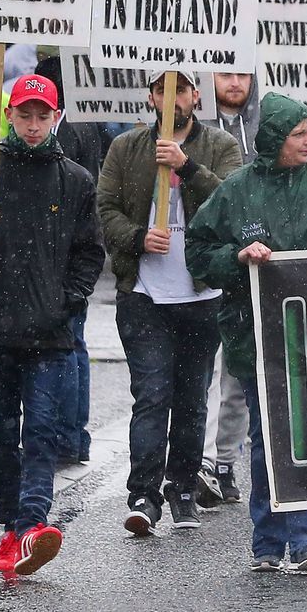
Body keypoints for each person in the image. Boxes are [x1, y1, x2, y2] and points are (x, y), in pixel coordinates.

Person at [186, 94, 307, 575]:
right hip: (257, 338)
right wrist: (237, 258)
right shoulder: (237, 190)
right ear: (274, 139)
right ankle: (267, 541)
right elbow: (199, 253)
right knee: (268, 438)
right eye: (299, 134)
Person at [0, 74, 105, 577]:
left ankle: (33, 523)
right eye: (25, 115)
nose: (33, 126)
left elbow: (90, 252)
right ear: (9, 114)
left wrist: (67, 301)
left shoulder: (74, 179)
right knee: (1, 432)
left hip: (50, 332)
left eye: (43, 116)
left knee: (43, 432)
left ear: (56, 119)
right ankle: (11, 526)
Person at [96, 70, 243, 534]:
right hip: (143, 294)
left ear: (196, 95)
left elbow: (233, 205)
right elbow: (106, 210)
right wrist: (139, 238)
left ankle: (182, 487)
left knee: (192, 398)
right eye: (163, 90)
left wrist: (186, 166)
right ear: (150, 96)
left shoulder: (220, 145)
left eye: (181, 89)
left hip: (201, 296)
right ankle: (143, 492)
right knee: (151, 394)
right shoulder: (126, 147)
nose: (172, 99)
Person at [31, 54, 106, 469]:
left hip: (61, 256)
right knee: (74, 347)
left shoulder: (70, 131)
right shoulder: (87, 122)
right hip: (68, 254)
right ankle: (73, 436)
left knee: (69, 346)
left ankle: (69, 437)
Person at [197, 70, 260, 508]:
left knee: (236, 374)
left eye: (242, 74)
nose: (234, 83)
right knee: (199, 374)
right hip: (207, 263)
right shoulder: (195, 131)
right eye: (226, 74)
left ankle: (222, 461)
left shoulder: (264, 127)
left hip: (248, 264)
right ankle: (196, 460)